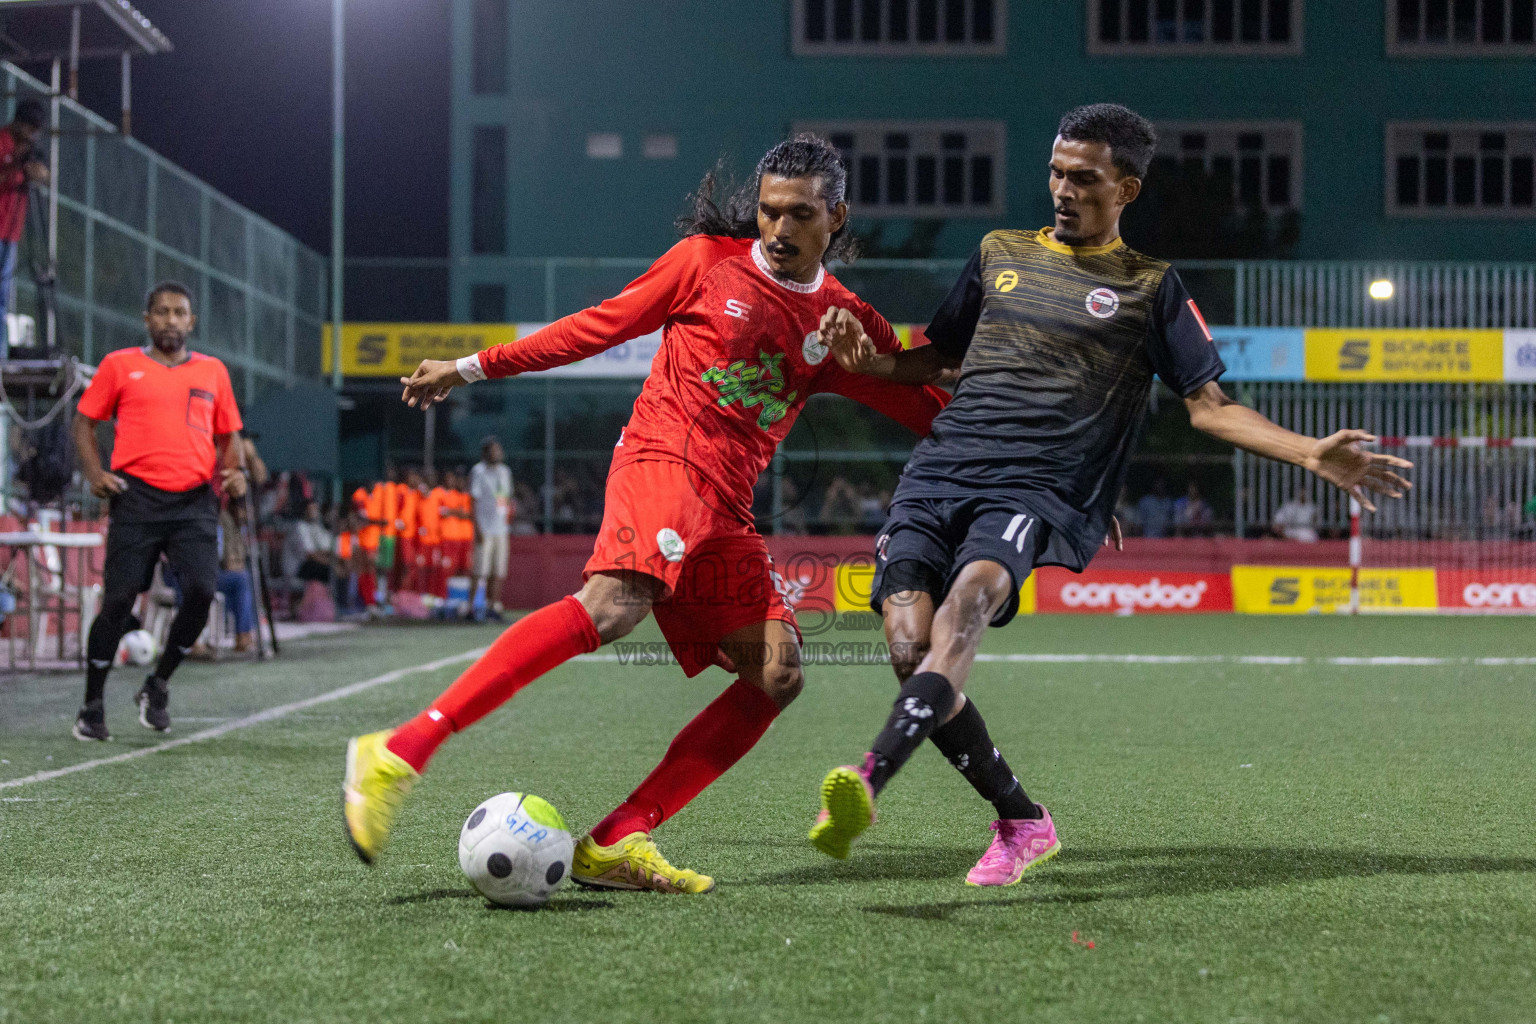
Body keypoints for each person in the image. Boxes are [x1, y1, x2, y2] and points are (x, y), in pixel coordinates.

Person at [808, 104, 1414, 883]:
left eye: (1084, 177)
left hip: (1036, 487)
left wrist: (1311, 453)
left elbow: (1211, 406)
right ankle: (1022, 820)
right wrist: (870, 362)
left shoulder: (1150, 287)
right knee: (903, 642)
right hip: (941, 472)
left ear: (1124, 188)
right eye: (1057, 171)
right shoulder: (999, 253)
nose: (1063, 188)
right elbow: (935, 361)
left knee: (965, 612)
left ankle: (864, 782)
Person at [342, 134, 951, 892]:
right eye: (768, 211)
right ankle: (398, 752)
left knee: (777, 673)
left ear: (837, 217)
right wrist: (471, 367)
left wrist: (1045, 477)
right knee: (613, 605)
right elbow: (597, 325)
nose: (779, 229)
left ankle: (619, 837)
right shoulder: (705, 264)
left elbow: (927, 405)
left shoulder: (841, 318)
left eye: (799, 214)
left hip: (727, 503)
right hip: (663, 458)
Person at [71, 281, 246, 740]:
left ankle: (158, 683)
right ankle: (92, 706)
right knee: (119, 600)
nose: (171, 319)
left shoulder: (213, 372)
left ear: (192, 322)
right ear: (147, 319)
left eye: (179, 312)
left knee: (204, 592)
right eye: (162, 312)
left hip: (194, 501)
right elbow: (83, 423)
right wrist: (95, 475)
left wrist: (237, 472)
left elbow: (228, 438)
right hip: (136, 498)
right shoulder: (119, 366)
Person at [0, 99, 48, 355]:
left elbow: (44, 175)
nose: (32, 135)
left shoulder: (28, 149)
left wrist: (33, 170)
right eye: (29, 129)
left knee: (3, 297)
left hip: (11, 235)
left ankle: (1, 355)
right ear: (19, 123)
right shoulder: (3, 142)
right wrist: (14, 167)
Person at [469, 437, 513, 620]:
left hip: (501, 528)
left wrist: (508, 520)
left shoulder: (505, 471)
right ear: (485, 453)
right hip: (484, 528)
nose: (498, 453)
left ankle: (493, 607)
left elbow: (507, 498)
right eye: (494, 450)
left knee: (498, 571)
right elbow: (472, 500)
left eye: (499, 450)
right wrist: (477, 528)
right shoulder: (478, 471)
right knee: (480, 570)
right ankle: (471, 609)